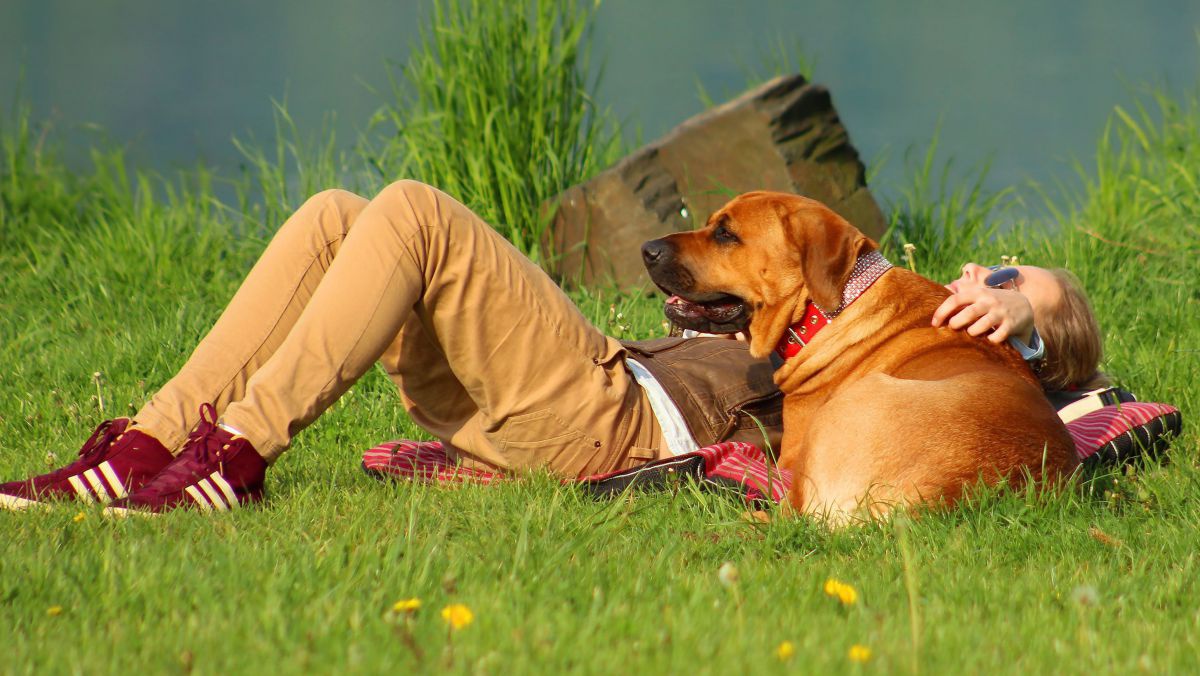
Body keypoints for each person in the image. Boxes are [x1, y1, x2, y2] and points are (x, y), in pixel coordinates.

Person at [0, 181, 1107, 514]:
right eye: (981, 270)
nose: (976, 283)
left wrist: (1034, 304)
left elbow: (1071, 363)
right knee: (344, 212)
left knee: (417, 214)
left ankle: (235, 451)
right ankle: (144, 442)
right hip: (573, 394)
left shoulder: (946, 354)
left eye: (1003, 287)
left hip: (615, 413)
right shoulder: (873, 301)